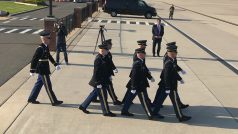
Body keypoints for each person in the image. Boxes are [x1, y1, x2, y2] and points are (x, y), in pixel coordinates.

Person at [152, 44, 191, 122]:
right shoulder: (169, 63)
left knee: (161, 100)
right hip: (169, 85)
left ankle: (154, 113)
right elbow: (166, 76)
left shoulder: (172, 60)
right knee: (175, 101)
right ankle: (180, 117)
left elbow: (174, 72)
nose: (176, 54)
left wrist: (179, 79)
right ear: (171, 53)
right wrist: (167, 87)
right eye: (175, 52)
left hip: (168, 85)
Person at [78, 44, 116, 117]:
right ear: (102, 51)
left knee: (93, 94)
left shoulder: (104, 57)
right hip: (100, 81)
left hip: (104, 80)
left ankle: (83, 106)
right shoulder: (98, 59)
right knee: (104, 97)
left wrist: (110, 75)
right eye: (106, 50)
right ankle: (106, 112)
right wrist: (98, 83)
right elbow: (96, 72)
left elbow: (108, 66)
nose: (108, 51)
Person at [28, 30, 63, 106]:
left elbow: (49, 56)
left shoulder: (45, 47)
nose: (50, 39)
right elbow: (34, 59)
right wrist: (32, 70)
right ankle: (54, 101)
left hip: (44, 68)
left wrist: (55, 64)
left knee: (39, 84)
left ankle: (32, 98)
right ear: (44, 39)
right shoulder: (40, 48)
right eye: (49, 38)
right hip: (42, 70)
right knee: (48, 86)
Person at [121, 48, 157, 120]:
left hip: (139, 84)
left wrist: (150, 77)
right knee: (144, 100)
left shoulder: (141, 61)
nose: (145, 55)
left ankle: (124, 110)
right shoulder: (137, 64)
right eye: (144, 54)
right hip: (138, 85)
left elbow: (145, 71)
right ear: (140, 54)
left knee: (129, 98)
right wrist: (134, 87)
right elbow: (134, 76)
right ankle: (150, 115)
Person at [122, 40, 154, 105]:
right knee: (140, 88)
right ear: (141, 45)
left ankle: (125, 100)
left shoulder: (142, 52)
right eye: (144, 45)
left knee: (131, 87)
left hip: (138, 73)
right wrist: (146, 72)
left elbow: (143, 63)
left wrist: (147, 70)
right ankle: (148, 102)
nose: (145, 47)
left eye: (145, 46)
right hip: (137, 73)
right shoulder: (138, 53)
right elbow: (139, 64)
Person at [105, 39, 122, 105]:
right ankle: (115, 100)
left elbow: (110, 62)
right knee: (109, 87)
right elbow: (105, 65)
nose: (111, 45)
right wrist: (109, 75)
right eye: (110, 44)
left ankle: (93, 98)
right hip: (104, 74)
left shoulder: (108, 53)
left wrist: (114, 68)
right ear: (107, 45)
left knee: (97, 88)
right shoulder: (105, 53)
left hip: (106, 73)